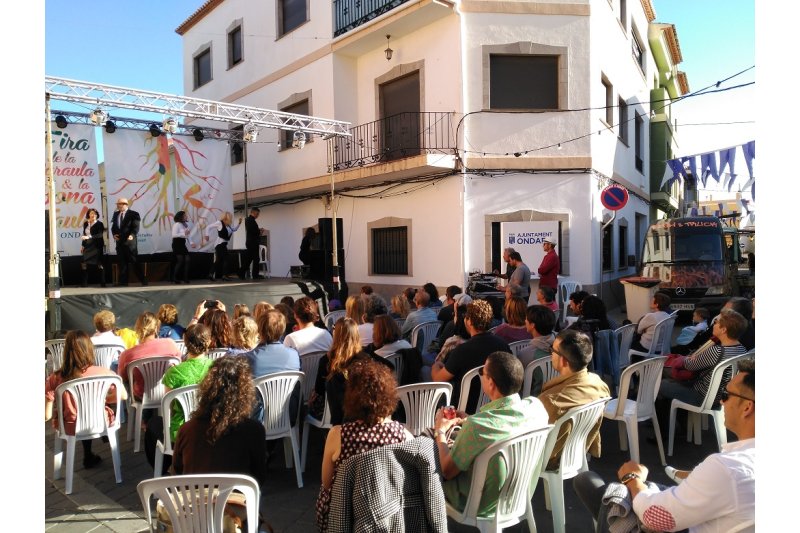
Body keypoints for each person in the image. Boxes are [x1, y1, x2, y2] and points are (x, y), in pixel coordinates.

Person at [574, 359, 755, 533]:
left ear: (747, 407)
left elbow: (654, 518)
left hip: (680, 523)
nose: (722, 401)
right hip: (705, 515)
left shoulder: (727, 469)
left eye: (726, 395)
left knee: (607, 493)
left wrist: (632, 478)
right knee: (599, 490)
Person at [433, 351, 549, 517]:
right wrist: (471, 418)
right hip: (517, 495)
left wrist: (440, 430)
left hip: (476, 502)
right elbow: (506, 424)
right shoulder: (536, 407)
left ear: (491, 383)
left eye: (482, 372)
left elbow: (447, 471)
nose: (481, 375)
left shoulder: (477, 427)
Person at [316, 359, 413, 533]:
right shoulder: (404, 435)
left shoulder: (338, 435)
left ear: (352, 396)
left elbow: (326, 481)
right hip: (387, 510)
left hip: (345, 513)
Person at [171, 355, 267, 528]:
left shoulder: (187, 429)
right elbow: (259, 477)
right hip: (235, 520)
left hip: (194, 520)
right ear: (245, 392)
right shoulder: (254, 430)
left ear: (207, 390)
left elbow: (178, 474)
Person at [45, 330, 127, 469]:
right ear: (90, 349)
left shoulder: (55, 377)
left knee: (77, 412)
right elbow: (123, 395)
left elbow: (46, 415)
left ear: (66, 352)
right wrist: (104, 398)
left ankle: (88, 455)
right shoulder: (105, 372)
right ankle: (96, 447)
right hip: (101, 421)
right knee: (93, 409)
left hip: (69, 426)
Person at [144, 323, 215, 472]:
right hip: (211, 428)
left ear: (185, 342)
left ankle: (165, 469)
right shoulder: (216, 369)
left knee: (153, 425)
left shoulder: (174, 373)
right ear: (208, 342)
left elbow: (169, 407)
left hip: (180, 433)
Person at [656, 308, 749, 421]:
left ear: (723, 329)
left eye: (716, 322)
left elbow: (689, 365)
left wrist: (686, 358)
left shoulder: (717, 350)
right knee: (669, 383)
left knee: (659, 385)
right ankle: (679, 422)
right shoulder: (742, 349)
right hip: (721, 396)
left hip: (701, 396)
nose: (713, 325)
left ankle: (664, 431)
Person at [538, 330, 610, 470]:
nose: (550, 353)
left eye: (552, 350)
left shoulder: (551, 400)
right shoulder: (600, 385)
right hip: (578, 451)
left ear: (563, 360)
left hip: (550, 460)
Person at [431, 299, 510, 413]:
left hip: (464, 410)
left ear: (469, 321)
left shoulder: (461, 351)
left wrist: (436, 366)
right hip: (495, 407)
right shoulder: (503, 345)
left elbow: (438, 379)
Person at [116, 311, 181, 401]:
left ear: (137, 329)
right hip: (166, 393)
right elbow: (179, 364)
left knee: (124, 384)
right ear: (156, 329)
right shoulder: (170, 344)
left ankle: (130, 413)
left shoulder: (127, 354)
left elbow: (122, 377)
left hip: (141, 396)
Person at [517, 305, 558, 394]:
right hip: (557, 393)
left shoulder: (524, 354)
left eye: (526, 319)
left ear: (532, 325)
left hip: (534, 399)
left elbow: (520, 384)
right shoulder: (562, 346)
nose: (525, 321)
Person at [111, 197, 147, 286]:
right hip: (119, 243)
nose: (117, 206)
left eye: (119, 204)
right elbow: (114, 226)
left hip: (130, 243)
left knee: (134, 262)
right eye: (117, 204)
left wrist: (132, 235)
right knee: (122, 263)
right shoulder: (116, 214)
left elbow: (136, 227)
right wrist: (114, 234)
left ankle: (143, 280)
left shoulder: (134, 214)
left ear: (125, 204)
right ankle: (123, 282)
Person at [205, 211, 241, 282]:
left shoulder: (228, 226)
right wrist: (207, 235)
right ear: (226, 217)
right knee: (226, 259)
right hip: (219, 245)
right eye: (230, 218)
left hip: (223, 245)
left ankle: (210, 274)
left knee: (219, 260)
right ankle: (224, 275)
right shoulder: (219, 223)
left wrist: (239, 223)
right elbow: (208, 227)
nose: (231, 219)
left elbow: (234, 229)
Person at [80, 208, 106, 287]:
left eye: (95, 214)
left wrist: (89, 237)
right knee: (84, 263)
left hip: (96, 246)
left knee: (99, 264)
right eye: (92, 213)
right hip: (88, 246)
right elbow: (84, 234)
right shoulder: (85, 224)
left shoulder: (99, 224)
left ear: (97, 215)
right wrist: (82, 246)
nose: (93, 215)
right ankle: (84, 283)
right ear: (88, 215)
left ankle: (103, 282)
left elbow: (100, 235)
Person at [239, 207, 264, 280]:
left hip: (251, 242)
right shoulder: (250, 220)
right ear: (254, 212)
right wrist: (259, 231)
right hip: (252, 242)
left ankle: (241, 272)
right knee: (255, 259)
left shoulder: (250, 220)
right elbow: (252, 231)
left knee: (250, 259)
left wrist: (258, 231)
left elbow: (252, 230)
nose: (258, 215)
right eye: (257, 214)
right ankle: (254, 275)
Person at [171, 210, 194, 284]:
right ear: (180, 217)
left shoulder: (185, 225)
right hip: (177, 243)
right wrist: (183, 234)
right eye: (185, 215)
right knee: (180, 260)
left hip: (182, 244)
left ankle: (185, 278)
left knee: (187, 260)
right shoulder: (177, 224)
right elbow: (174, 235)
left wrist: (191, 243)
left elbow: (188, 235)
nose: (186, 216)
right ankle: (175, 278)